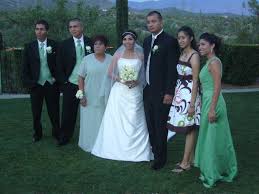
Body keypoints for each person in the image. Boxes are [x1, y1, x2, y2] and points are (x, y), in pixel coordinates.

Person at [91, 30, 153, 162]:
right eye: (125, 39)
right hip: (119, 91)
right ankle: (114, 147)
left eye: (130, 39)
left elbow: (144, 73)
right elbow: (110, 73)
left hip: (135, 91)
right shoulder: (118, 54)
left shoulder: (141, 55)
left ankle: (136, 150)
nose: (127, 42)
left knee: (135, 117)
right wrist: (122, 80)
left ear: (134, 40)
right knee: (116, 119)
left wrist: (137, 81)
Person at [194, 32, 238, 188]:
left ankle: (215, 172)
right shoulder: (209, 62)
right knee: (211, 137)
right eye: (199, 44)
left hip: (214, 102)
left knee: (214, 138)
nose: (200, 47)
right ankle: (215, 168)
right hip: (207, 101)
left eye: (203, 44)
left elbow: (218, 86)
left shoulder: (214, 62)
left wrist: (212, 109)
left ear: (212, 46)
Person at [143, 11, 179, 170]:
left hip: (162, 92)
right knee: (150, 124)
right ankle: (154, 152)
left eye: (154, 21)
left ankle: (160, 158)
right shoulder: (145, 41)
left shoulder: (170, 41)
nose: (151, 24)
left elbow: (172, 69)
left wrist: (169, 92)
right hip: (148, 90)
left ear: (161, 22)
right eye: (149, 22)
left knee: (160, 125)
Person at [167, 26, 201, 173]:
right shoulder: (181, 53)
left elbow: (195, 81)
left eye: (183, 37)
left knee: (190, 128)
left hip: (190, 96)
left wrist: (192, 104)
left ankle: (185, 163)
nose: (180, 40)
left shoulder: (194, 56)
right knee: (188, 127)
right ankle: (191, 159)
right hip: (180, 93)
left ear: (191, 38)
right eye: (179, 38)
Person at [56, 18, 92, 146]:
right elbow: (58, 65)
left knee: (89, 110)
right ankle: (64, 137)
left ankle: (90, 135)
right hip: (70, 84)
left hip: (88, 83)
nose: (73, 29)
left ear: (82, 27)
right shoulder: (64, 44)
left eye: (75, 26)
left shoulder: (91, 42)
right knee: (68, 113)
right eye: (70, 27)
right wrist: (64, 82)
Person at [23, 19, 60, 142]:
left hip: (51, 83)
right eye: (37, 29)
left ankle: (56, 132)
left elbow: (59, 65)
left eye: (42, 29)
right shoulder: (29, 46)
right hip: (36, 84)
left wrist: (56, 78)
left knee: (54, 111)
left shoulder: (55, 45)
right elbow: (25, 67)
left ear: (47, 31)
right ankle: (37, 133)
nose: (39, 31)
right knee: (36, 112)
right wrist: (30, 83)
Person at [77, 35, 112, 152]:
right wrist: (81, 95)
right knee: (89, 120)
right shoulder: (86, 59)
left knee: (104, 119)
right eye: (95, 44)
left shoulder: (111, 59)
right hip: (89, 95)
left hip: (106, 95)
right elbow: (80, 77)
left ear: (106, 47)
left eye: (100, 44)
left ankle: (104, 143)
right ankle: (89, 143)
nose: (97, 46)